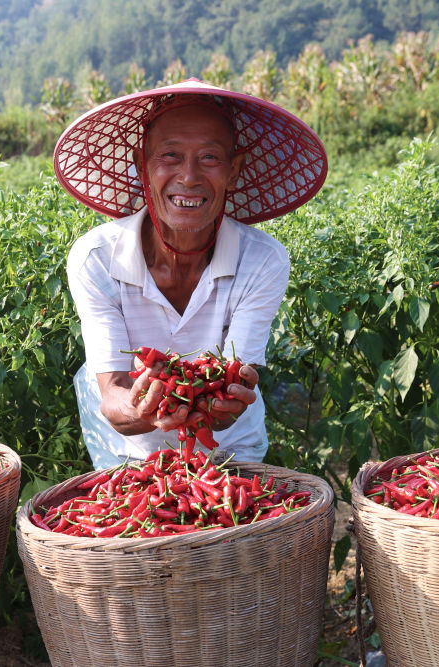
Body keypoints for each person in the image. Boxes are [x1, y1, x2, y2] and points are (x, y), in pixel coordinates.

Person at [55, 79, 327, 469]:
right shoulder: (96, 258)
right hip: (124, 451)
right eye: (169, 156)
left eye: (210, 158)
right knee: (136, 520)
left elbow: (237, 382)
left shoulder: (262, 260)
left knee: (233, 521)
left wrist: (217, 401)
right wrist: (150, 407)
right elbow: (113, 393)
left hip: (229, 446)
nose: (188, 176)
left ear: (234, 171)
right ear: (141, 166)